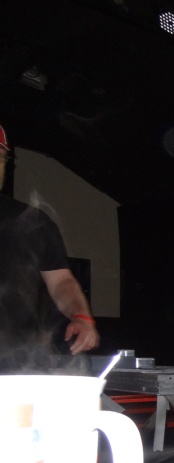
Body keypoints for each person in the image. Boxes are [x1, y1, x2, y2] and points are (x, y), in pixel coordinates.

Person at [0, 123, 100, 370]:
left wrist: (81, 316)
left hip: (18, 361)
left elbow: (61, 282)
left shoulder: (32, 221)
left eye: (0, 157)